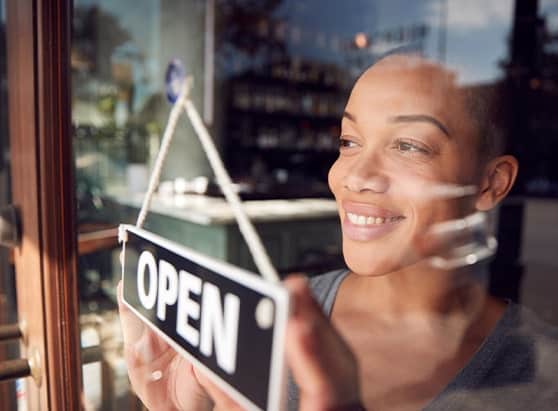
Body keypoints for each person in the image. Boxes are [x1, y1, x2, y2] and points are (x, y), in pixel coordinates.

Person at [118, 54, 558, 410]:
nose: (355, 176)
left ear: (491, 183)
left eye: (408, 146)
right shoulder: (275, 323)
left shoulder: (542, 376)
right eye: (349, 142)